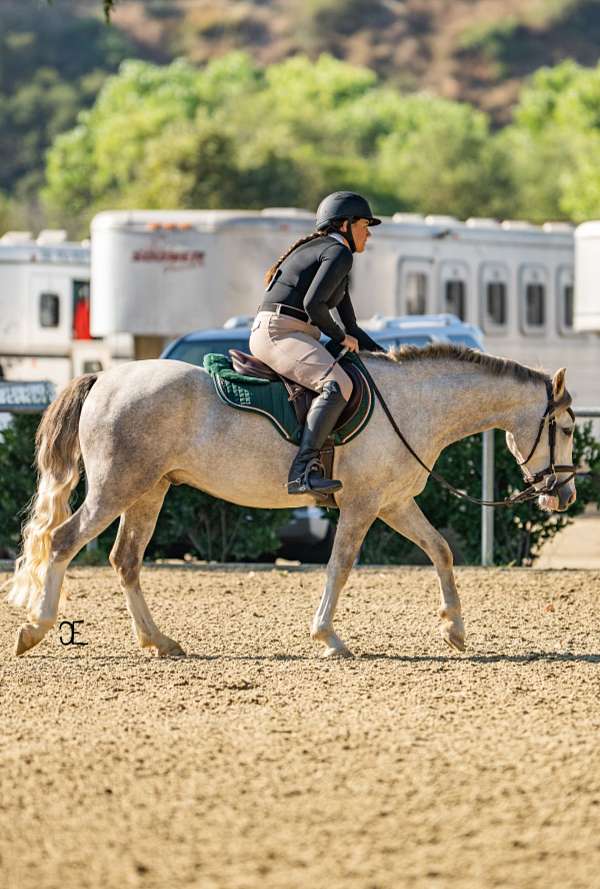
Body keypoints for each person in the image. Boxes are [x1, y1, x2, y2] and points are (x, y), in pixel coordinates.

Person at [249, 191, 384, 497]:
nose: (369, 232)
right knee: (338, 384)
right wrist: (338, 337)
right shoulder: (338, 254)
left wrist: (391, 359)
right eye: (365, 224)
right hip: (280, 333)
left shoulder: (333, 255)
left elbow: (353, 328)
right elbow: (313, 306)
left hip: (289, 331)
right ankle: (302, 472)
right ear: (345, 225)